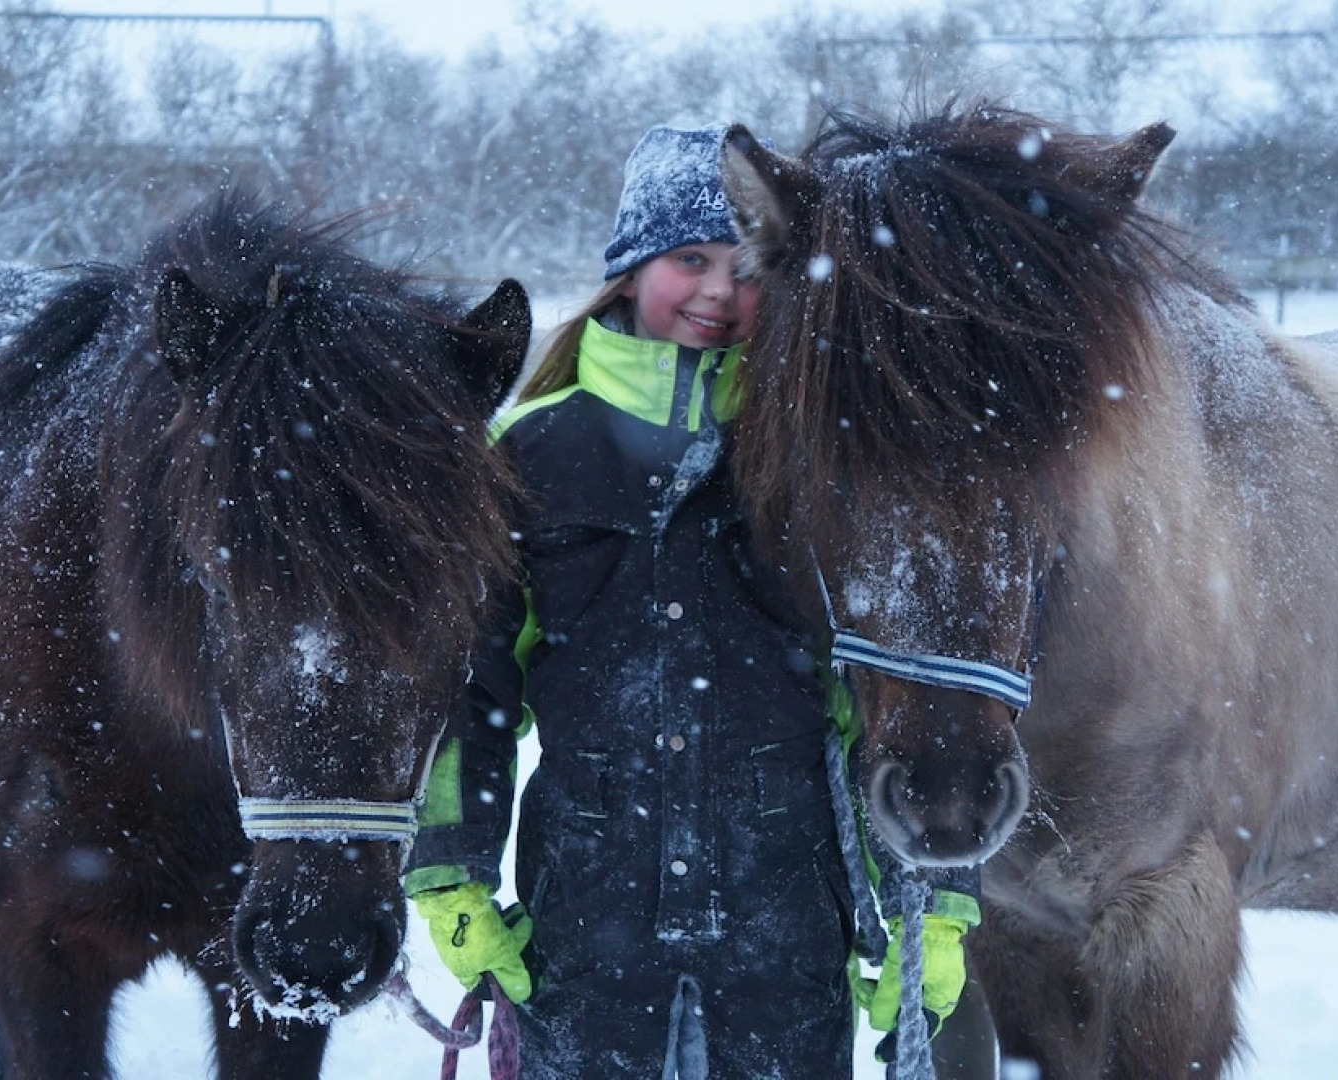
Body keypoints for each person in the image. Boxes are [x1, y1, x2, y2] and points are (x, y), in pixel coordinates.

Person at [403, 124, 979, 1079]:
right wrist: (452, 874)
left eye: (746, 268)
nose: (718, 291)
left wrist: (936, 899)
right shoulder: (531, 452)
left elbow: (886, 699)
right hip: (587, 924)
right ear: (629, 269)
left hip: (785, 925)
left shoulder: (819, 456)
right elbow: (471, 692)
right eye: (688, 259)